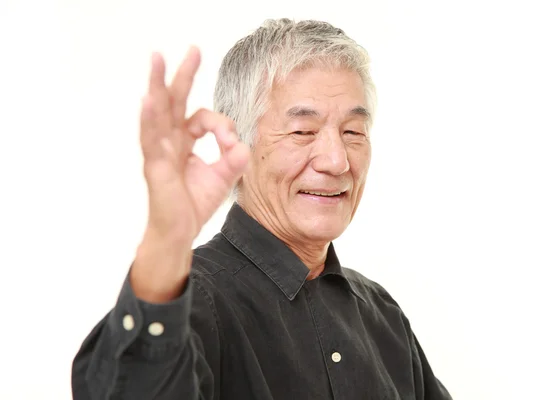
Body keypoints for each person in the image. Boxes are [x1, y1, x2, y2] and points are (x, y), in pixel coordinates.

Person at [71, 18, 453, 400]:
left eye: (353, 132)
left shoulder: (380, 313)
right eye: (303, 132)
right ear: (238, 145)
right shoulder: (196, 304)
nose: (337, 161)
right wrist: (166, 239)